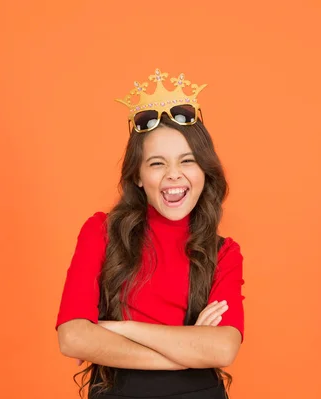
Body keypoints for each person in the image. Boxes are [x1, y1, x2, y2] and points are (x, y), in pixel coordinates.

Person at [55, 68, 245, 399]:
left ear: (204, 171)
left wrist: (119, 329)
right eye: (157, 164)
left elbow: (223, 349)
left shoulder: (225, 253)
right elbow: (73, 338)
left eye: (187, 161)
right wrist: (187, 347)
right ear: (139, 176)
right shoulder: (100, 232)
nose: (174, 176)